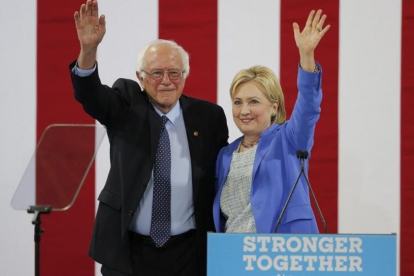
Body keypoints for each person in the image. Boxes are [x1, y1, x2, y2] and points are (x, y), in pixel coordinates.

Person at [70, 0, 228, 275]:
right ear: (140, 77)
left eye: (174, 73)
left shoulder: (209, 117)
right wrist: (88, 51)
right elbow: (90, 95)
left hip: (190, 252)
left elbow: (222, 174)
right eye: (156, 73)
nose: (166, 80)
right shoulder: (126, 105)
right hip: (129, 252)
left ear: (185, 75)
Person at [213, 10, 330, 234]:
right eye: (237, 102)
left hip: (283, 256)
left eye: (253, 101)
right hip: (232, 256)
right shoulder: (224, 155)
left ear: (274, 106)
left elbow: (308, 108)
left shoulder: (289, 139)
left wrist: (306, 56)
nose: (244, 110)